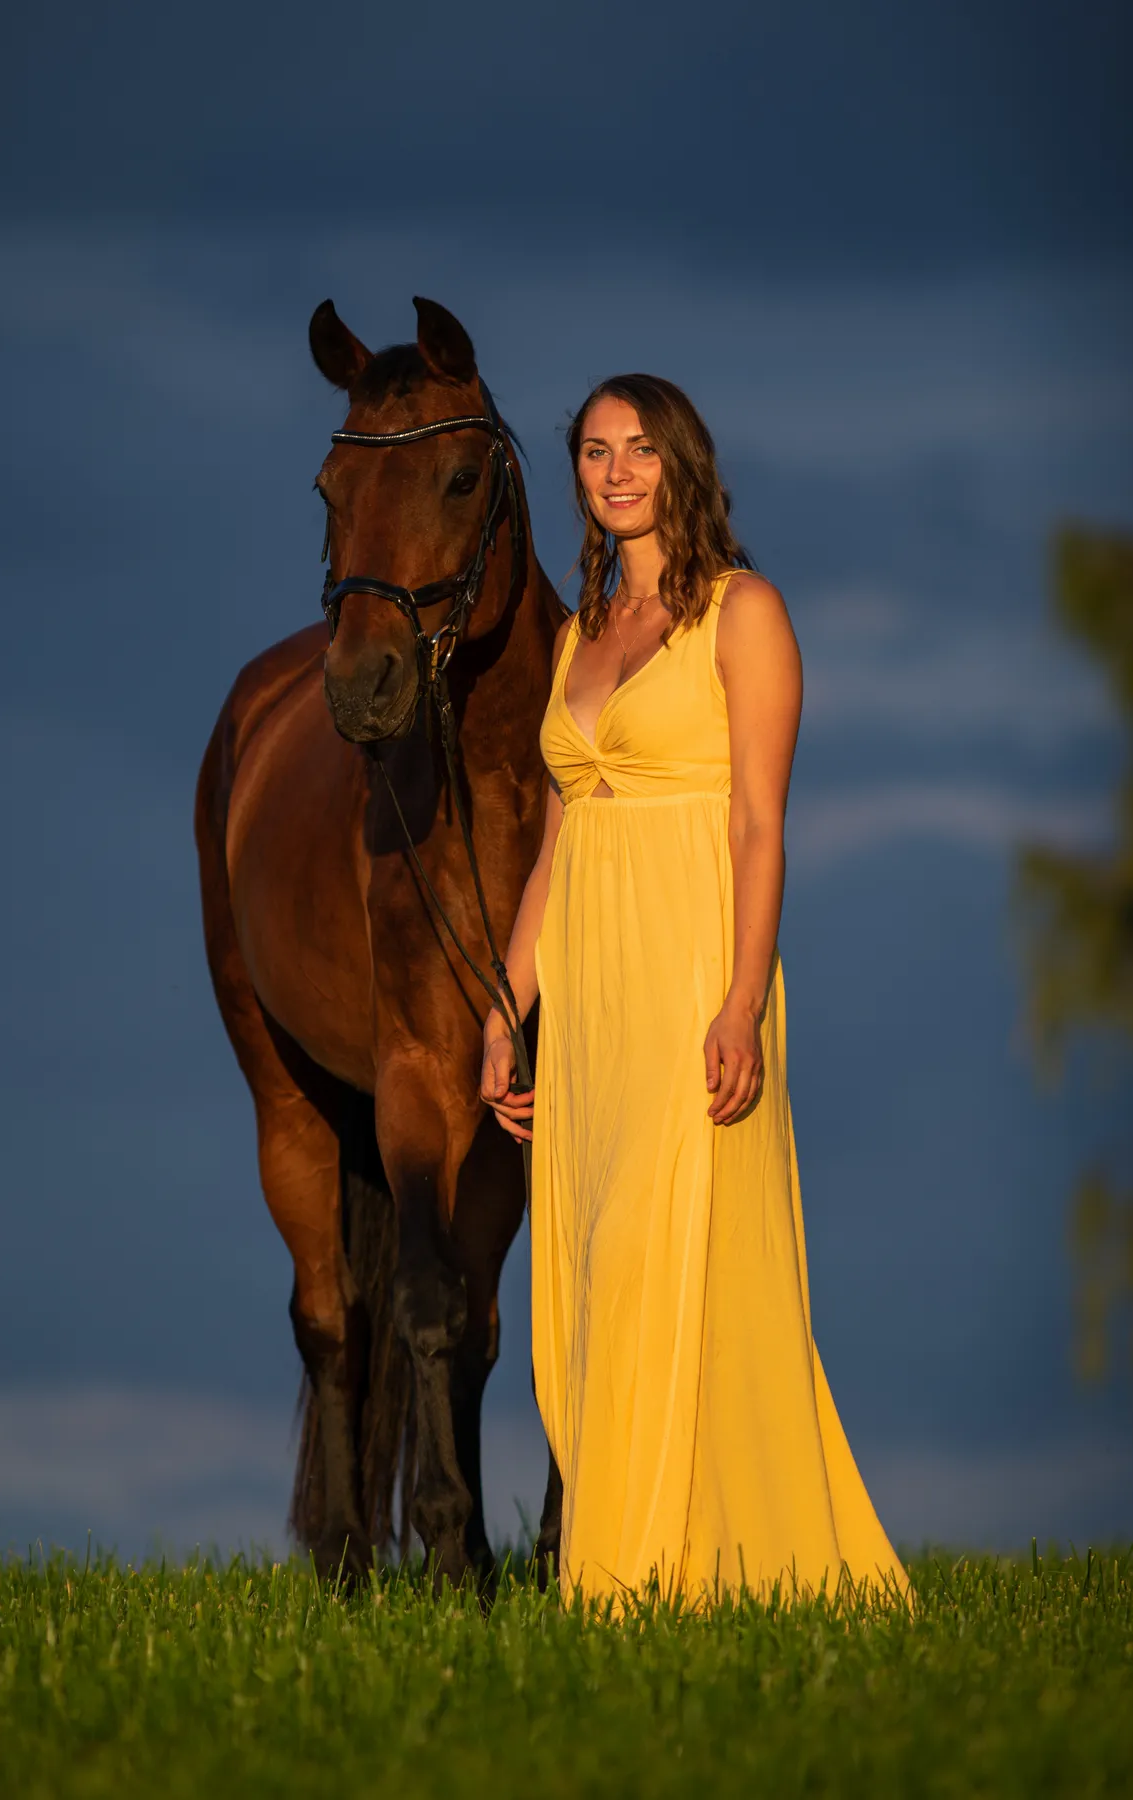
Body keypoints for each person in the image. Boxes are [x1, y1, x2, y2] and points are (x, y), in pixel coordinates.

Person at [479, 373, 908, 1608]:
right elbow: (559, 841)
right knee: (587, 1277)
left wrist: (738, 1001)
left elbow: (761, 828)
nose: (615, 472)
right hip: (592, 993)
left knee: (671, 1257)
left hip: (692, 973)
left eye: (639, 450)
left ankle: (628, 1582)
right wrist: (506, 1008)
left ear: (682, 463)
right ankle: (660, 1563)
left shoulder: (744, 613)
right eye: (594, 452)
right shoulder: (580, 631)